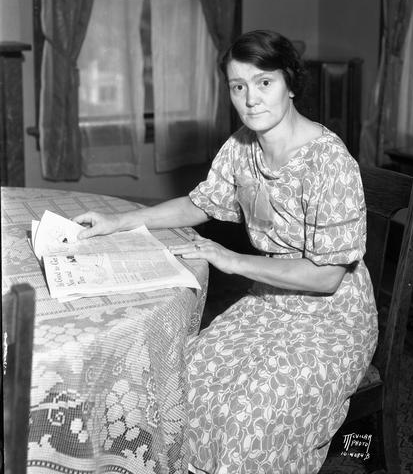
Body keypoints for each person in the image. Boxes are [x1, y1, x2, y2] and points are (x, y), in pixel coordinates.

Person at [74, 29, 378, 473]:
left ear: (290, 83)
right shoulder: (241, 147)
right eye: (239, 86)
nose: (251, 98)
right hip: (270, 302)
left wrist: (230, 259)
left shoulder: (329, 161)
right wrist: (118, 221)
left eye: (264, 82)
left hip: (334, 318)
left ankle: (304, 455)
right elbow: (198, 204)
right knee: (184, 383)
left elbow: (326, 276)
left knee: (247, 417)